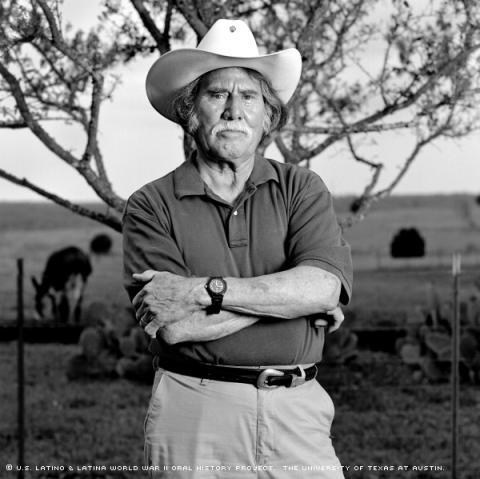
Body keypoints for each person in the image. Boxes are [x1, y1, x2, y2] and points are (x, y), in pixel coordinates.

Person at [122, 19, 353, 479]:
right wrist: (292, 301)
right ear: (190, 112)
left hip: (298, 411)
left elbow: (323, 287)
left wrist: (201, 290)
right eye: (216, 95)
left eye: (248, 96)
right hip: (195, 410)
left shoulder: (301, 188)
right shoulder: (151, 204)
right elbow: (175, 327)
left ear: (267, 116)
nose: (233, 110)